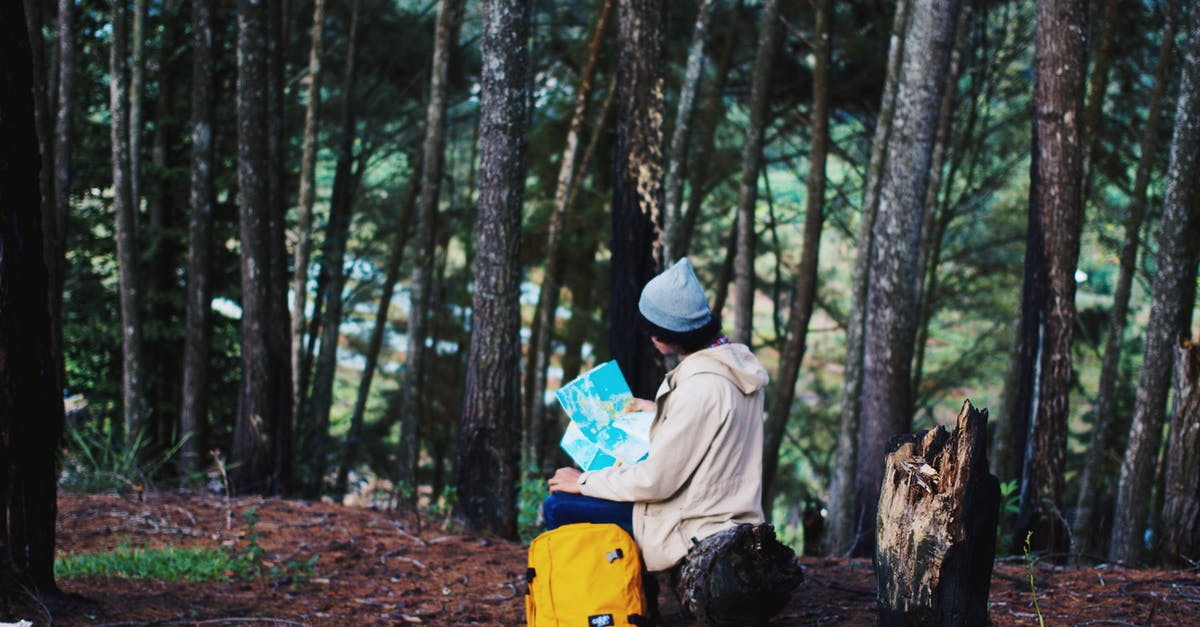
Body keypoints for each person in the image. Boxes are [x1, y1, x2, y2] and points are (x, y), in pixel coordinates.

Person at [544, 257, 768, 573]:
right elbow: (715, 428)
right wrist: (659, 411)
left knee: (558, 505)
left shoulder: (699, 388)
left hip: (690, 521)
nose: (650, 338)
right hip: (723, 508)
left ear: (667, 334)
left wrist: (581, 481)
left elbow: (655, 482)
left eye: (652, 331)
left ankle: (597, 607)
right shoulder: (736, 368)